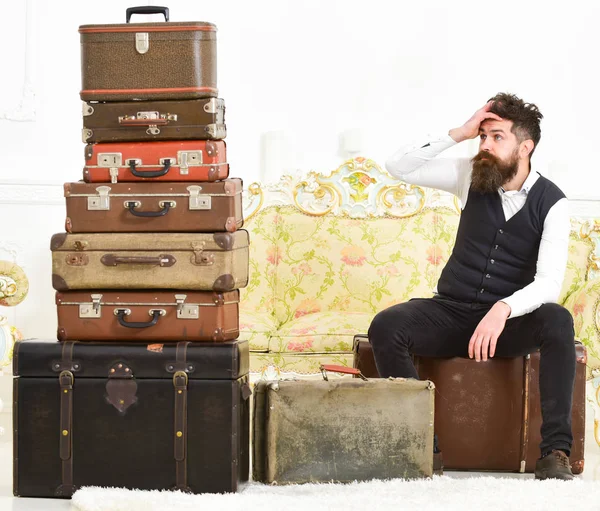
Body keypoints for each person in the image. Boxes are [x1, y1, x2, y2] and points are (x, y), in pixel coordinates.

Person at [368, 93, 576, 480]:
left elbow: (549, 283)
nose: (485, 145)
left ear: (525, 146)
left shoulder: (554, 203)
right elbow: (398, 166)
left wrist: (504, 309)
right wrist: (461, 132)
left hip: (506, 326)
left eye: (496, 137)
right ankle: (420, 446)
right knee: (386, 325)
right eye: (482, 136)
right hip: (452, 312)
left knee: (557, 320)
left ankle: (555, 452)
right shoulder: (470, 173)